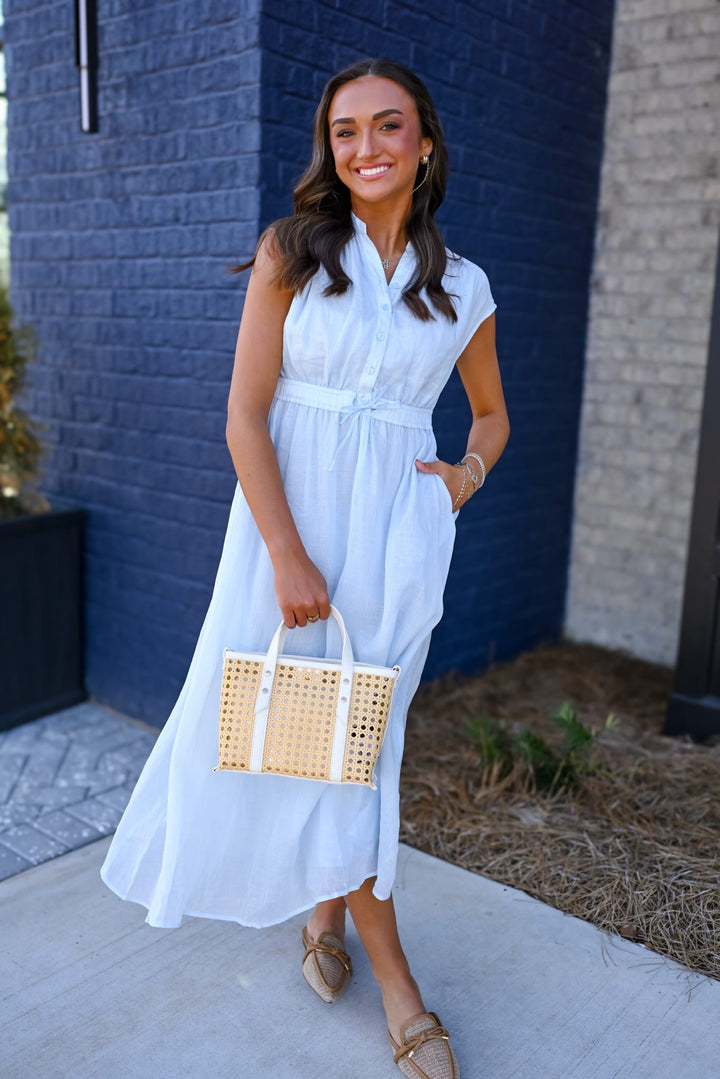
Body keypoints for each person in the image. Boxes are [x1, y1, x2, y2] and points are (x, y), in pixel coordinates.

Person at [100, 57, 509, 1079]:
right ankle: (398, 982)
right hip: (290, 534)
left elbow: (495, 415)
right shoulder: (292, 250)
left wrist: (460, 478)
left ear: (425, 142)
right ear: (330, 149)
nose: (365, 147)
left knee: (359, 746)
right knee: (306, 738)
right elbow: (245, 413)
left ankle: (328, 912)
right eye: (344, 132)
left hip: (398, 542)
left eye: (387, 126)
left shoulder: (463, 287)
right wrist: (286, 550)